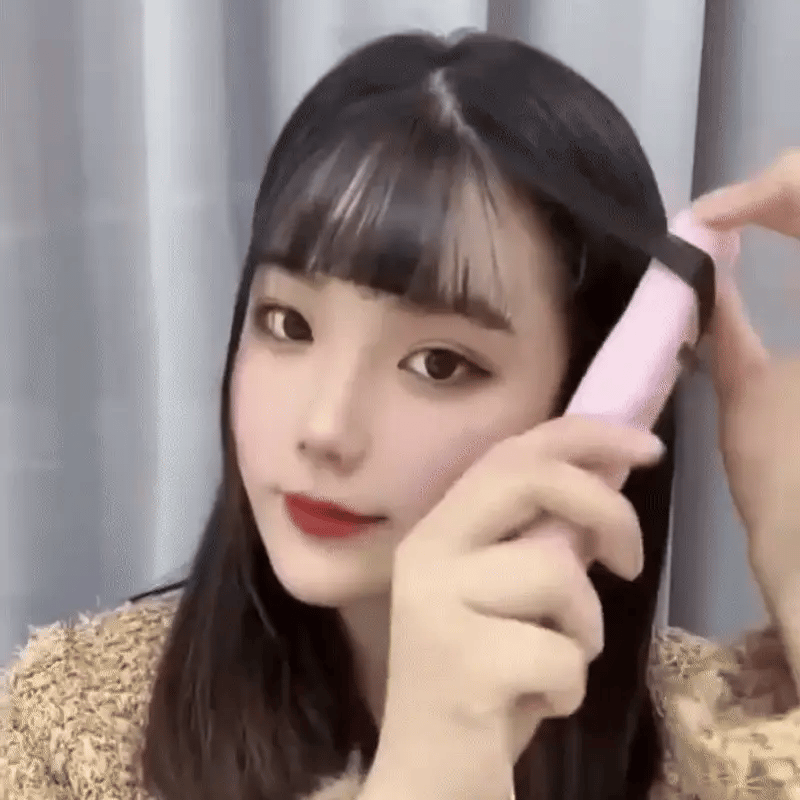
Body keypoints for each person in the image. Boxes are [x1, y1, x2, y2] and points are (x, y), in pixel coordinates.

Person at [1, 31, 799, 800]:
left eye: (439, 364)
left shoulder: (722, 741)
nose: (325, 428)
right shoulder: (69, 732)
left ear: (596, 401)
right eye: (288, 324)